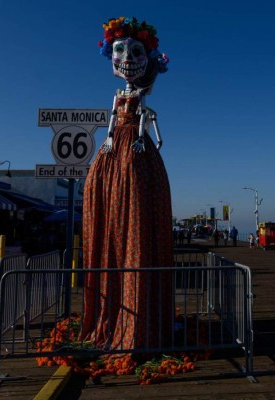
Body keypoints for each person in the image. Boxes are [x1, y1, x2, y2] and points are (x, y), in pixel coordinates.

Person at [81, 17, 173, 350]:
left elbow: (148, 118)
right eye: (120, 50)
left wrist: (150, 142)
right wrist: (107, 140)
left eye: (136, 52)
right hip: (115, 144)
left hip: (135, 144)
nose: (127, 58)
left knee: (134, 194)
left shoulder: (142, 97)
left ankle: (137, 313)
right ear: (111, 53)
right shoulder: (117, 96)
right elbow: (111, 119)